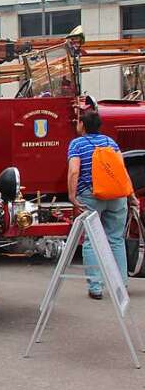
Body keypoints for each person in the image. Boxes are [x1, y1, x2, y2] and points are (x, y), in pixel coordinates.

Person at [67, 109, 139, 298]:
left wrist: (72, 195)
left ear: (82, 125)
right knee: (115, 239)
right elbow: (122, 171)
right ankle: (121, 284)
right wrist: (131, 197)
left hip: (91, 195)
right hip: (116, 196)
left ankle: (96, 287)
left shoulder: (77, 144)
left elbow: (74, 171)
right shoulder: (111, 142)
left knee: (91, 240)